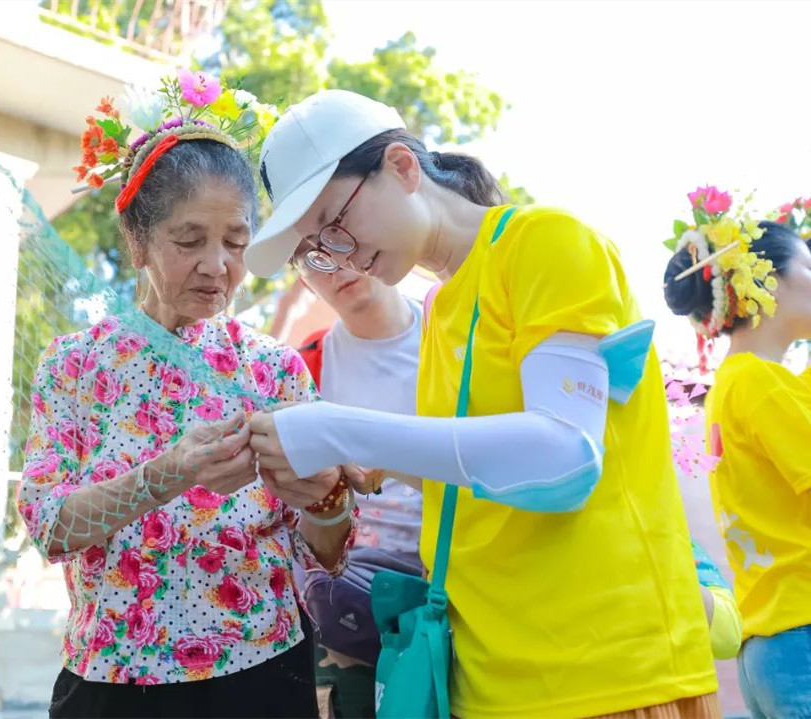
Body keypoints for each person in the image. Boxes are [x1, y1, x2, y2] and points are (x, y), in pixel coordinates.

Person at [244, 89, 719, 719]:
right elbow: (481, 479)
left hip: (608, 671)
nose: (342, 256)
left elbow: (566, 458)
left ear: (402, 167)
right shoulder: (442, 307)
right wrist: (376, 469)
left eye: (335, 222)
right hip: (491, 679)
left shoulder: (545, 241)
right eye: (318, 248)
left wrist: (341, 430)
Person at [16, 72, 359, 719]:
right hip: (113, 680)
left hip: (261, 674)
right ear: (137, 240)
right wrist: (169, 473)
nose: (217, 265)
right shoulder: (76, 364)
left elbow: (328, 550)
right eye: (189, 239)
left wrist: (325, 495)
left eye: (236, 242)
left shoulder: (275, 368)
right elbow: (50, 527)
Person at [663, 195, 811, 719]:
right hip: (801, 637)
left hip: (774, 641)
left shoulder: (739, 381)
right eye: (808, 266)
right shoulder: (761, 384)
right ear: (766, 281)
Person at [294, 265, 425, 718]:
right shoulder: (306, 365)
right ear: (302, 277)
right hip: (346, 616)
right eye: (309, 257)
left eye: (339, 238)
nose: (332, 266)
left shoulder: (456, 338)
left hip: (454, 596)